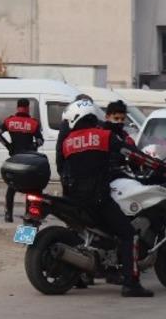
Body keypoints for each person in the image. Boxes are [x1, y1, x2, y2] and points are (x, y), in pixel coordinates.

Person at [60, 99, 153, 298]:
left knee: (80, 234)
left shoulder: (68, 142)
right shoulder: (104, 135)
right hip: (99, 199)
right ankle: (131, 283)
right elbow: (133, 154)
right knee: (129, 234)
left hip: (74, 198)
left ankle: (82, 275)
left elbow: (63, 168)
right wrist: (155, 164)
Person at [0, 98, 43, 222]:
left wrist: (8, 146)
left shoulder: (9, 121)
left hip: (14, 158)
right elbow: (40, 141)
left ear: (17, 107)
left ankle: (8, 215)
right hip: (28, 160)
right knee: (30, 187)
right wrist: (33, 147)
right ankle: (28, 214)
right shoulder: (33, 123)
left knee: (12, 186)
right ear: (28, 108)